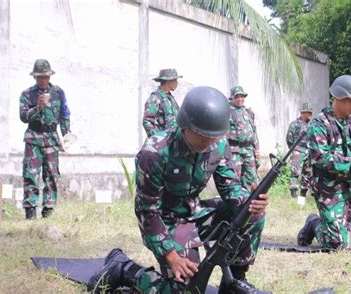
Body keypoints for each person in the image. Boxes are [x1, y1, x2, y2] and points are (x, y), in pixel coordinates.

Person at [88, 86, 269, 293]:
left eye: (214, 137)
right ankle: (124, 268)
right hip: (164, 222)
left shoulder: (217, 144)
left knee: (251, 213)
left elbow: (231, 189)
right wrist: (171, 256)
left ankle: (234, 282)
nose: (209, 143)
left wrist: (250, 200)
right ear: (184, 125)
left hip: (194, 212)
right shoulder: (155, 152)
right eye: (202, 136)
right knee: (185, 290)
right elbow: (147, 211)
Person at [297, 75, 351, 250]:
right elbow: (321, 159)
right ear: (340, 98)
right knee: (336, 244)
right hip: (329, 187)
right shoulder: (319, 123)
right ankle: (314, 223)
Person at [19, 59, 71, 219]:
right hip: (33, 138)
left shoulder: (58, 92)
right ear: (35, 77)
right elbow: (23, 116)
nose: (43, 80)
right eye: (40, 77)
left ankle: (48, 210)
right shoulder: (27, 94)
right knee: (31, 174)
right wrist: (38, 108)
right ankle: (30, 210)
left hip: (51, 139)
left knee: (52, 175)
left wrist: (66, 136)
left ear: (49, 76)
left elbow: (64, 114)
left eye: (46, 77)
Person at [227, 86, 260, 192]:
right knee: (234, 177)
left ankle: (251, 201)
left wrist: (257, 149)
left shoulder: (248, 112)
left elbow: (254, 131)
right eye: (237, 96)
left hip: (248, 150)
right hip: (234, 150)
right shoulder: (226, 111)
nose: (240, 99)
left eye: (242, 96)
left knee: (252, 178)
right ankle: (236, 202)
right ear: (232, 97)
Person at [142, 68, 182, 137]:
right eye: (175, 80)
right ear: (168, 81)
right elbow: (147, 121)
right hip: (163, 142)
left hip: (173, 140)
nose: (177, 83)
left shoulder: (170, 98)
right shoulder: (155, 98)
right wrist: (158, 138)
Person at [286, 102, 313, 198]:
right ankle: (293, 194)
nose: (310, 114)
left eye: (311, 112)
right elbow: (289, 139)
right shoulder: (295, 124)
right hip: (298, 149)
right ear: (303, 113)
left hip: (309, 151)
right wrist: (295, 149)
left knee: (308, 172)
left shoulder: (312, 125)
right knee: (296, 171)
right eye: (308, 112)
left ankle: (303, 195)